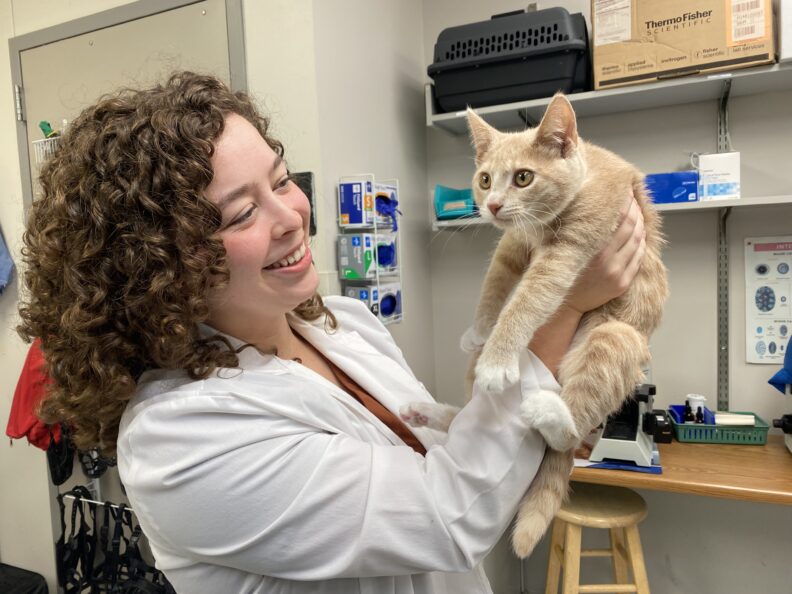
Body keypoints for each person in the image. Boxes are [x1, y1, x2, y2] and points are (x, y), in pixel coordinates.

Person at [18, 72, 646, 594]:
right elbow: (447, 515)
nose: (291, 216)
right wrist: (564, 308)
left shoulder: (344, 323)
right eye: (242, 212)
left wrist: (556, 407)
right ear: (158, 265)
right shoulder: (177, 440)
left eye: (283, 179)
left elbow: (465, 457)